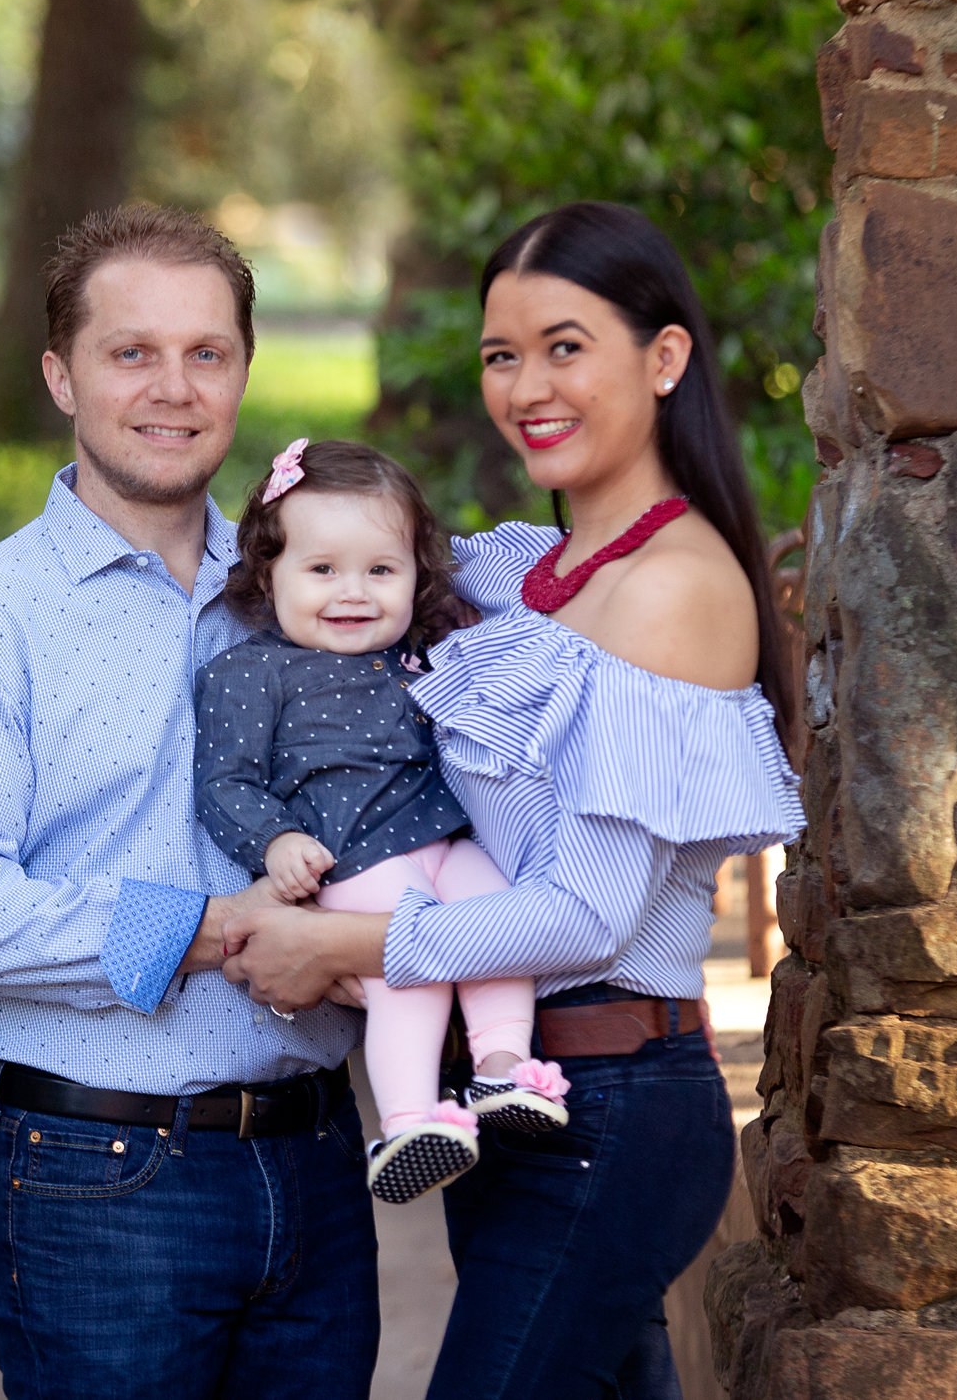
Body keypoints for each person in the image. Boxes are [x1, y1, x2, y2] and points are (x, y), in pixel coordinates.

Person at [221, 201, 805, 1399]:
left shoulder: (674, 590)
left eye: (564, 344)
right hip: (512, 1093)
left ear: (665, 356)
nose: (525, 383)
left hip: (612, 1106)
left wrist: (339, 940)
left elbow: (586, 913)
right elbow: (339, 580)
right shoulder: (514, 575)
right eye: (501, 353)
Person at [0, 204, 378, 1400]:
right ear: (60, 373)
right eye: (131, 351)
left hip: (313, 1161)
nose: (174, 387)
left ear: (246, 370)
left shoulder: (307, 589)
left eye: (207, 352)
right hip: (93, 1180)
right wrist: (215, 932)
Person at [194, 437, 571, 1205]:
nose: (353, 592)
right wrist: (276, 840)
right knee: (412, 954)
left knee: (495, 913)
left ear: (415, 577)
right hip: (357, 861)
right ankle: (408, 1117)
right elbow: (224, 781)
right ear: (268, 575)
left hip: (444, 838)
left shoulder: (422, 655)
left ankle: (502, 1065)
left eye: (381, 569)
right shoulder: (250, 669)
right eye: (322, 569)